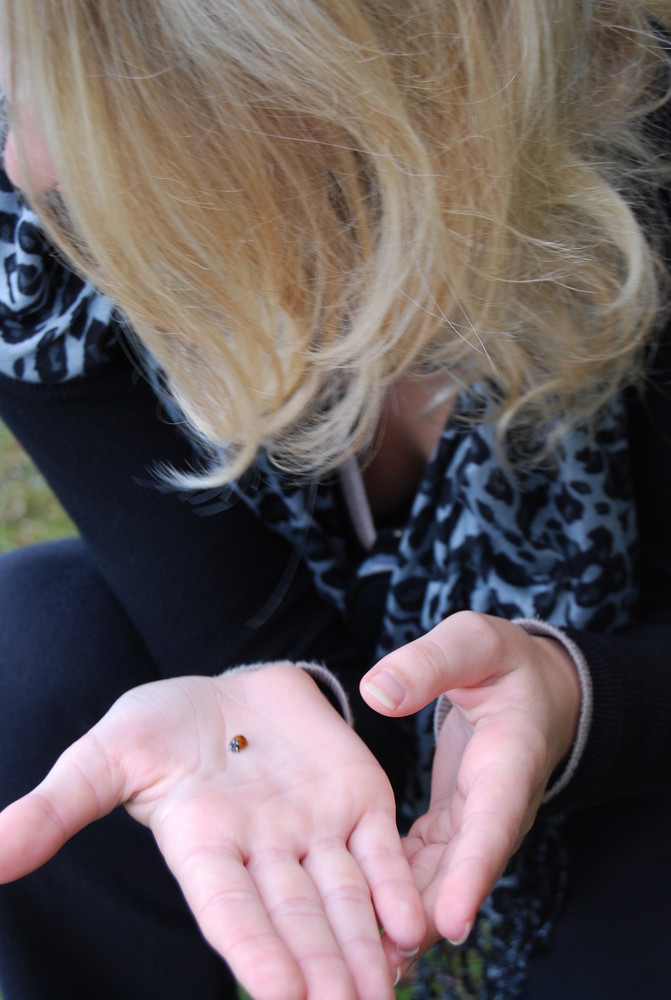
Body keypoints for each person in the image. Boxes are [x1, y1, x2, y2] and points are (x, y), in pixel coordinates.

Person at [0, 2, 671, 998]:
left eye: (67, 94)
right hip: (378, 714)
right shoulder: (42, 261)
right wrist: (286, 696)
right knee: (35, 637)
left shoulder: (640, 148)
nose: (30, 164)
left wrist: (579, 696)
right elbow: (226, 616)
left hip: (630, 716)